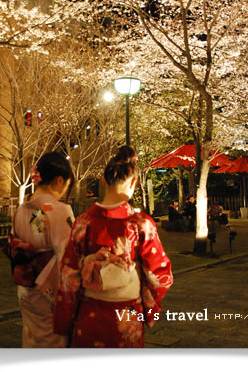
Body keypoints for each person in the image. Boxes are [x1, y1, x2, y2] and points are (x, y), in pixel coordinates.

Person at [53, 145, 173, 348]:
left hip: (88, 315)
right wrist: (147, 305)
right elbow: (160, 276)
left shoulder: (82, 223)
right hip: (126, 317)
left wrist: (63, 321)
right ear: (134, 182)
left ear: (103, 180)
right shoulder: (141, 224)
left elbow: (68, 278)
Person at [3, 152, 75, 348]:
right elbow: (69, 258)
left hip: (27, 289)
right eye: (66, 186)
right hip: (50, 291)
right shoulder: (59, 211)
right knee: (54, 341)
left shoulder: (20, 210)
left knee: (33, 337)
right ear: (59, 180)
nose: (64, 192)